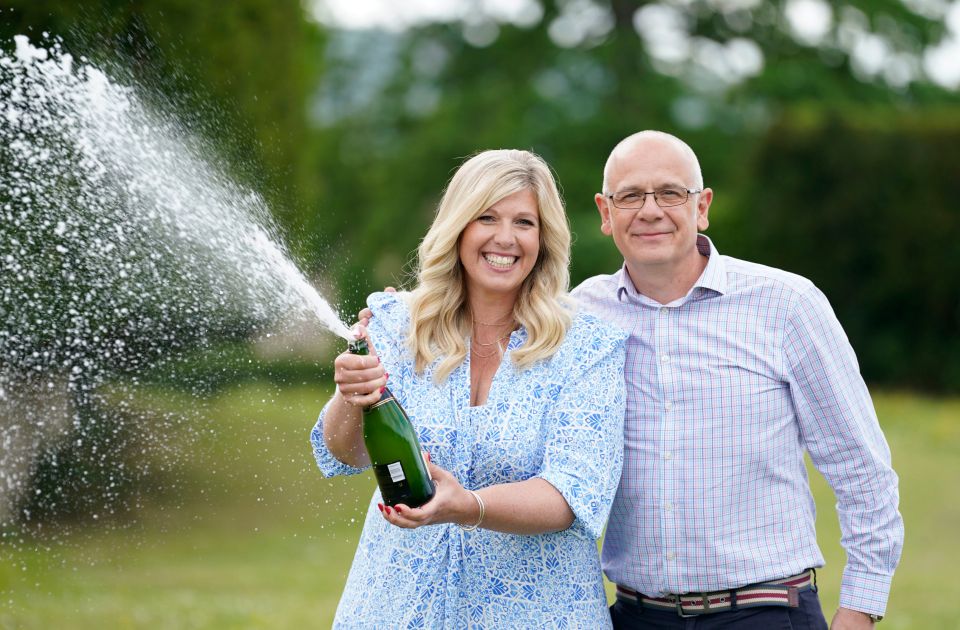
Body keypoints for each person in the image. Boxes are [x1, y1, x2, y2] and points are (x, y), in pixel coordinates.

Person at [573, 130, 904, 629]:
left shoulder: (786, 305)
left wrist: (859, 609)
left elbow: (861, 468)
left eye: (670, 193)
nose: (650, 210)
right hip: (635, 617)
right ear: (605, 212)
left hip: (763, 613)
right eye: (630, 196)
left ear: (702, 206)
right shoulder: (579, 317)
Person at [310, 149, 627, 628]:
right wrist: (349, 396)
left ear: (545, 238)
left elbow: (572, 493)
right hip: (396, 607)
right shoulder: (397, 323)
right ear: (458, 226)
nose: (505, 237)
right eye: (487, 217)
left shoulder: (586, 347)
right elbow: (349, 453)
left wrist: (468, 507)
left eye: (525, 222)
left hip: (536, 613)